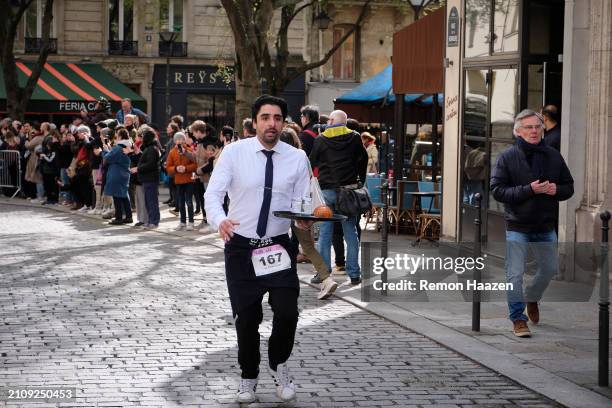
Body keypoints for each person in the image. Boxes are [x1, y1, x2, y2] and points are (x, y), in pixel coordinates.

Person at [204, 95, 310, 403]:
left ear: (284, 123)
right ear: (255, 122)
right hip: (241, 249)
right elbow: (213, 195)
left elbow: (301, 204)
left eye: (277, 118)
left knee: (288, 311)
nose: (271, 124)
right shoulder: (235, 153)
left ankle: (279, 365)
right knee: (247, 319)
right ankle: (248, 377)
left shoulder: (297, 158)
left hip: (278, 246)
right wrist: (220, 220)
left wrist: (303, 221)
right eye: (265, 117)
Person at [490, 109, 574, 338]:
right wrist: (529, 190)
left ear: (543, 129)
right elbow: (497, 190)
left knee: (549, 270)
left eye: (538, 126)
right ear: (518, 131)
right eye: (528, 127)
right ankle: (518, 319)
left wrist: (558, 190)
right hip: (518, 225)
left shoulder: (554, 156)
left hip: (545, 225)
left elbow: (569, 186)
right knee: (514, 274)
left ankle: (532, 297)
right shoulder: (507, 157)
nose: (534, 131)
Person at [310, 110, 368, 285]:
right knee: (350, 232)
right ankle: (354, 274)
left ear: (333, 120)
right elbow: (363, 160)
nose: (327, 122)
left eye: (329, 119)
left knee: (325, 233)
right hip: (348, 192)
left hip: (327, 191)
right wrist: (360, 181)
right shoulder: (355, 137)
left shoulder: (321, 139)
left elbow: (312, 162)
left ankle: (323, 273)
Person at [165, 132, 197, 230]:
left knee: (189, 202)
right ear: (175, 141)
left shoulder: (189, 150)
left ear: (184, 140)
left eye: (181, 139)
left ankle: (191, 222)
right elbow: (168, 166)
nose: (179, 141)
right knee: (181, 202)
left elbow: (195, 164)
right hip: (178, 181)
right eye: (177, 139)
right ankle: (182, 222)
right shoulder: (172, 152)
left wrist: (186, 168)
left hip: (189, 180)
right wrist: (176, 169)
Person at [103, 130, 133, 225]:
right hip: (124, 173)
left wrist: (104, 151)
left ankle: (119, 217)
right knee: (124, 195)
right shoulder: (129, 146)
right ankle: (128, 216)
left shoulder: (119, 147)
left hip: (117, 173)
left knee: (117, 196)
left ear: (120, 137)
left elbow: (108, 158)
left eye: (116, 136)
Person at [134, 128, 161, 228]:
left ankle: (153, 221)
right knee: (148, 201)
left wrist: (138, 168)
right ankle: (151, 220)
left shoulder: (152, 149)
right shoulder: (150, 148)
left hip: (150, 179)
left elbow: (150, 164)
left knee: (151, 201)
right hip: (147, 179)